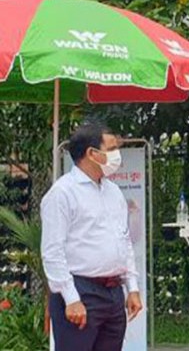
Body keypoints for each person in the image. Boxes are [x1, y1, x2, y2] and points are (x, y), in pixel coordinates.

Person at [40, 123, 143, 351]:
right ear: (91, 153)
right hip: (80, 290)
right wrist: (71, 298)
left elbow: (123, 241)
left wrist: (132, 287)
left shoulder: (113, 192)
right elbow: (52, 251)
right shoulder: (62, 193)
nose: (117, 155)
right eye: (112, 148)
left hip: (113, 293)